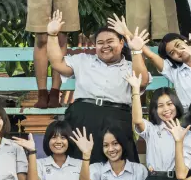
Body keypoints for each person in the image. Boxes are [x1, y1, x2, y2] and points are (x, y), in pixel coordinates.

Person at [46, 10, 148, 163]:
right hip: (83, 115)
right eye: (100, 43)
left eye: (110, 41)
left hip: (117, 116)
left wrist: (137, 51)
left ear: (121, 43)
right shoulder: (83, 60)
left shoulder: (130, 66)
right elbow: (57, 64)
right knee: (79, 162)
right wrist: (52, 35)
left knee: (118, 163)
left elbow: (142, 81)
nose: (105, 46)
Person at [133, 0, 191, 109]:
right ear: (171, 58)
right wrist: (129, 35)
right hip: (190, 115)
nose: (178, 51)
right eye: (172, 53)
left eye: (178, 45)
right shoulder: (174, 71)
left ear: (184, 41)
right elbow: (151, 55)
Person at [125, 70, 190, 180]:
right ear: (155, 110)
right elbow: (137, 120)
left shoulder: (187, 132)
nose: (166, 109)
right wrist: (136, 90)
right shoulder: (152, 129)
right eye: (160, 106)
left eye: (169, 104)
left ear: (177, 105)